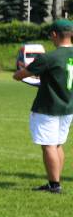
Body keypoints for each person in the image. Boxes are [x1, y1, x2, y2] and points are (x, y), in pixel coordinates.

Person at [12, 19, 73, 193]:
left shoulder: (49, 57)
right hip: (68, 106)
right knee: (58, 144)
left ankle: (54, 184)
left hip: (49, 107)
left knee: (48, 145)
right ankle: (56, 180)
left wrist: (19, 70)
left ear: (54, 34)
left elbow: (19, 75)